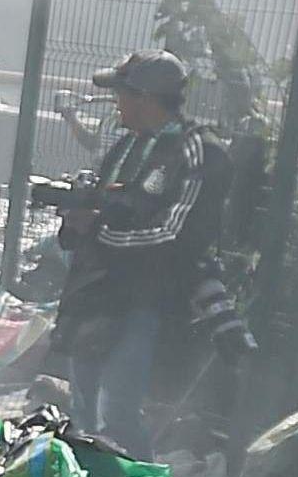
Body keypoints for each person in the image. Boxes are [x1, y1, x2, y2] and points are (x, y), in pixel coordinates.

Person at [39, 48, 229, 456]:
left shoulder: (197, 149)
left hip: (143, 301)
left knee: (117, 414)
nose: (116, 103)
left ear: (145, 97)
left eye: (121, 94)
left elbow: (177, 234)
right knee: (84, 410)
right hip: (95, 294)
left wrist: (101, 230)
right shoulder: (126, 146)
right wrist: (75, 222)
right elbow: (101, 210)